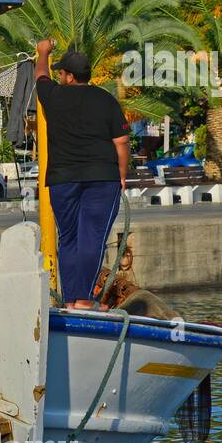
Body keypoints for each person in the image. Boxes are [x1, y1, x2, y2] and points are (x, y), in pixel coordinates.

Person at [34, 39, 130, 310]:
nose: (59, 75)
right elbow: (121, 142)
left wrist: (43, 52)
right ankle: (85, 300)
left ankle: (71, 300)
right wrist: (122, 175)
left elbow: (41, 74)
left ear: (70, 76)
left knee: (69, 238)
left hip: (63, 178)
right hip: (102, 177)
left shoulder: (53, 96)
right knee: (92, 237)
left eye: (62, 72)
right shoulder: (105, 99)